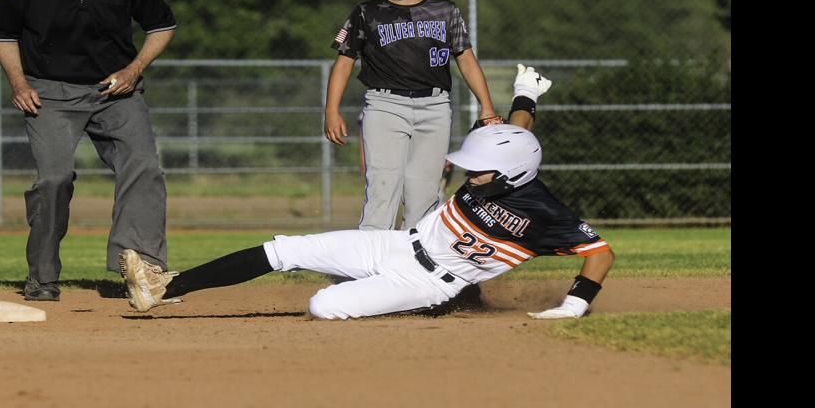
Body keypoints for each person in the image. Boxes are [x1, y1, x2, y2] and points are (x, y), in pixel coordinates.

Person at [125, 66, 613, 320]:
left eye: (480, 172)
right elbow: (514, 132)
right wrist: (526, 93)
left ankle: (437, 307)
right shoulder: (506, 159)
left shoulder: (547, 214)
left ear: (511, 175)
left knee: (322, 305)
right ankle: (167, 286)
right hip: (398, 243)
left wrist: (574, 305)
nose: (469, 174)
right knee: (285, 250)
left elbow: (600, 253)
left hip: (429, 283)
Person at [0, 0, 179, 305]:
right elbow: (3, 35)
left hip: (116, 90)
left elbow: (162, 27)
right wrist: (19, 82)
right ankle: (42, 277)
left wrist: (135, 68)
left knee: (142, 165)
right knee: (53, 180)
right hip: (50, 94)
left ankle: (142, 269)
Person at [324, 0, 500, 231]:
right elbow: (344, 60)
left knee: (425, 190)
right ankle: (367, 264)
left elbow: (465, 58)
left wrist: (487, 105)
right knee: (383, 184)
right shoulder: (368, 12)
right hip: (385, 106)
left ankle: (416, 265)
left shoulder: (444, 10)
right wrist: (332, 110)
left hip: (435, 106)